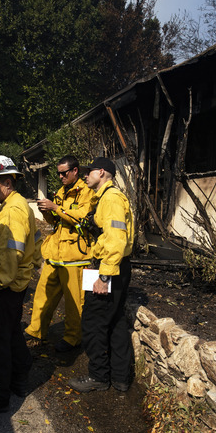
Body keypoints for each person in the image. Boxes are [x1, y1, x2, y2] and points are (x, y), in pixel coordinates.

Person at [0, 156, 38, 413]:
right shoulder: (14, 205)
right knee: (10, 333)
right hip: (13, 285)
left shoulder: (12, 210)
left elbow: (10, 255)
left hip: (4, 287)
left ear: (8, 182)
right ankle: (20, 375)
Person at [68, 157, 135, 393]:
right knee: (115, 322)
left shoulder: (112, 199)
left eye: (89, 172)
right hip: (113, 266)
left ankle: (98, 376)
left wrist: (104, 276)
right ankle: (120, 378)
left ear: (102, 172)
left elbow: (116, 239)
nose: (85, 175)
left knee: (93, 322)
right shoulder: (105, 198)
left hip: (110, 268)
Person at [27, 155, 97, 352]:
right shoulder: (60, 191)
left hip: (75, 256)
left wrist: (56, 208)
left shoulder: (87, 193)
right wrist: (47, 211)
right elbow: (55, 222)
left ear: (75, 171)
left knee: (75, 302)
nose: (60, 176)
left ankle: (72, 338)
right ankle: (35, 331)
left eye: (64, 173)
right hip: (54, 253)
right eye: (58, 173)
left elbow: (82, 219)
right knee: (42, 296)